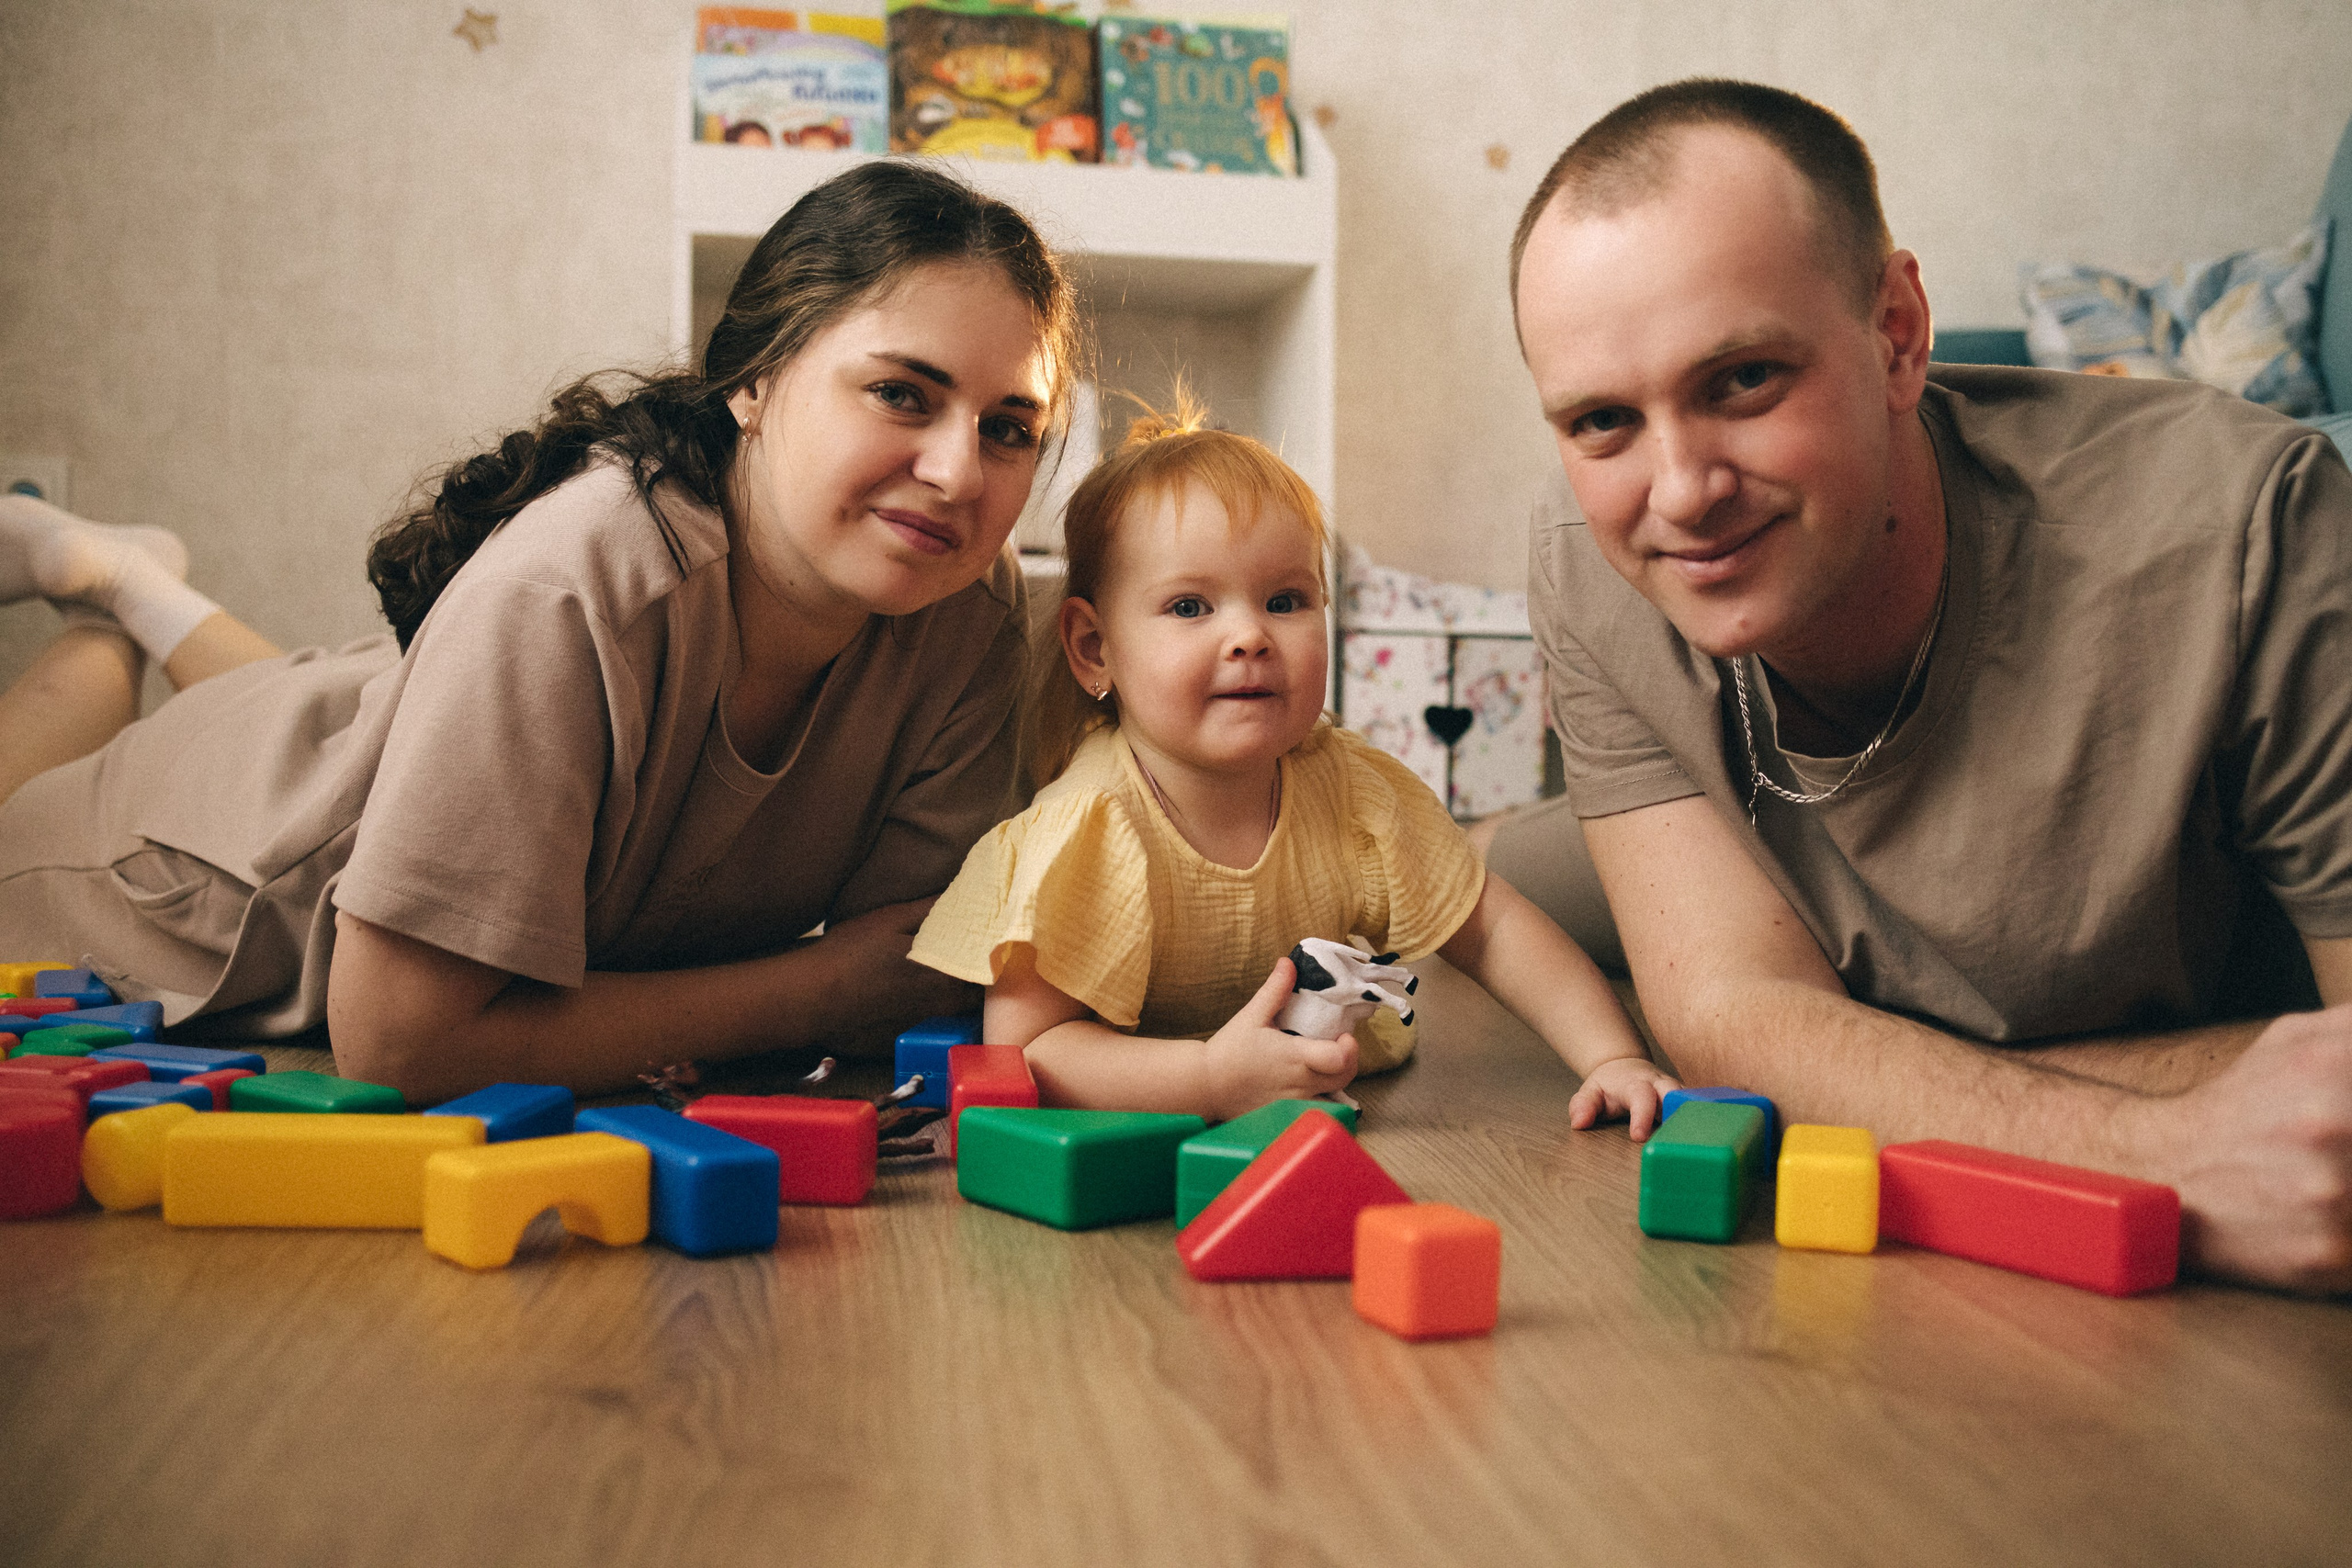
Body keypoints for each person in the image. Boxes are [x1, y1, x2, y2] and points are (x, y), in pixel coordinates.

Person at [1496, 78, 2352, 1292]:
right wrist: (2164, 1148)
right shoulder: (1589, 555)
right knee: (1463, 884)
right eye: (1600, 421)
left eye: (1741, 379)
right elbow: (1731, 1009)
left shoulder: (2255, 534)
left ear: (1897, 332)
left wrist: (1840, 1054)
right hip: (1735, 844)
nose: (1680, 491)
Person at [0, 160, 1080, 1104]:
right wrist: (815, 987)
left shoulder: (963, 603)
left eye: (1008, 428)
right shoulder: (574, 584)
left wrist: (855, 985)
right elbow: (400, 1042)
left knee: (329, 705)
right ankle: (109, 602)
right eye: (901, 394)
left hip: (345, 719)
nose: (957, 474)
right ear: (752, 381)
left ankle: (121, 584)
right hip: (161, 878)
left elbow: (899, 967)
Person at [910, 401, 1677, 1126]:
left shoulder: (1353, 788)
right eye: (1190, 607)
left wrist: (1612, 1056)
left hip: (1342, 1098)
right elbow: (1027, 1048)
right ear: (1094, 649)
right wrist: (1209, 1078)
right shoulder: (1087, 827)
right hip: (1144, 1116)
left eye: (1285, 601)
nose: (1249, 635)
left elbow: (1497, 930)